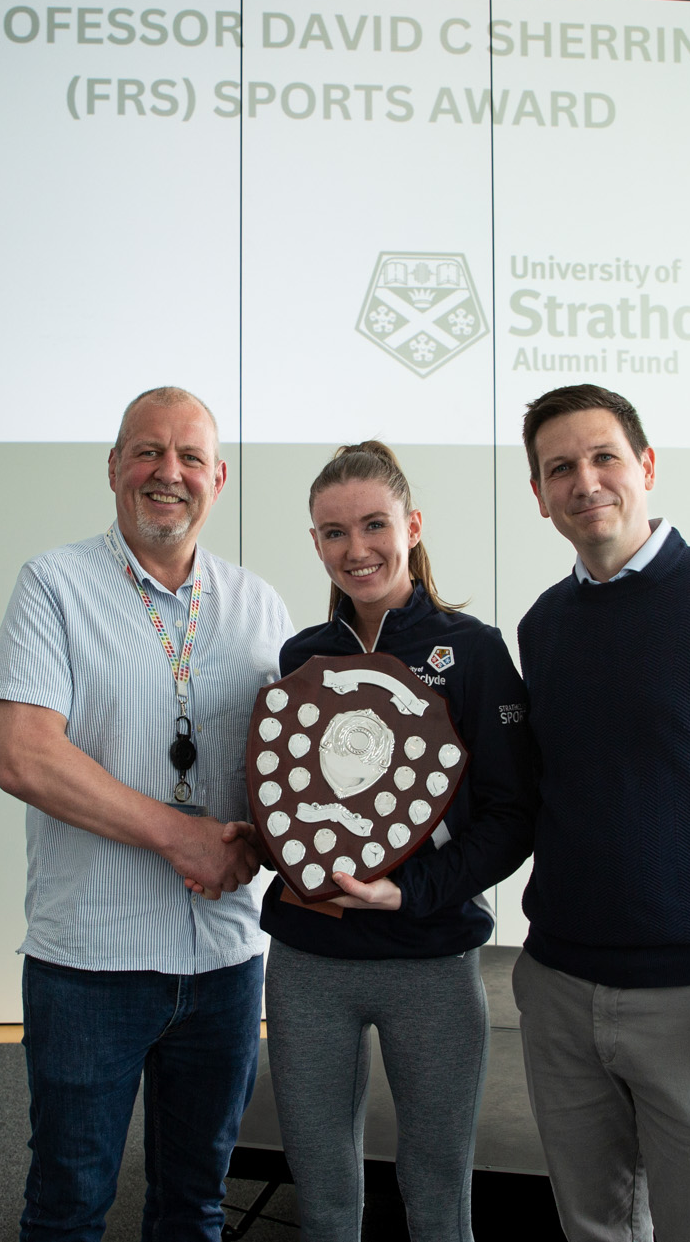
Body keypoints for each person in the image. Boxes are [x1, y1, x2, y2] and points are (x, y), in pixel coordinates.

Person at [333, 384, 690, 1241]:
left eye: (603, 456)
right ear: (539, 496)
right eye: (559, 469)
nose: (585, 481)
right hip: (560, 991)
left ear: (645, 466)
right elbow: (525, 802)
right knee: (594, 1228)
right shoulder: (544, 626)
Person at [0, 386, 293, 1242]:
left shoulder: (258, 606)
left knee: (195, 1209)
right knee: (67, 1210)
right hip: (90, 962)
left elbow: (285, 772)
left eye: (190, 456)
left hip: (225, 962)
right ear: (115, 465)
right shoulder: (55, 584)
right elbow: (26, 756)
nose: (168, 472)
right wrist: (181, 836)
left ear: (218, 479)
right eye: (148, 451)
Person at [217, 441, 538, 1242]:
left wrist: (412, 890)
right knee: (324, 1198)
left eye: (373, 525)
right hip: (310, 961)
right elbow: (302, 800)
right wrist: (264, 838)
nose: (355, 548)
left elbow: (513, 815)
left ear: (412, 526)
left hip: (430, 960)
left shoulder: (473, 650)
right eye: (333, 532)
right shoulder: (303, 657)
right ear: (316, 541)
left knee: (437, 1197)